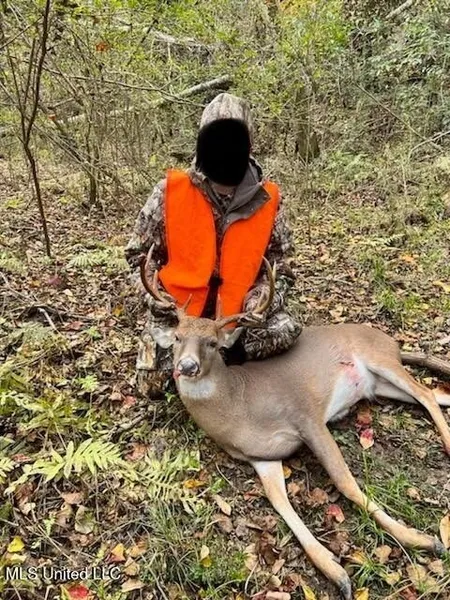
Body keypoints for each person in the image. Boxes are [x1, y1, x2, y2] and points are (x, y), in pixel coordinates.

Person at [125, 93, 301, 396]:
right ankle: (214, 361)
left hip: (236, 319)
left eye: (233, 138)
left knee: (284, 332)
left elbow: (281, 266)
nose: (224, 146)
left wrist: (260, 300)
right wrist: (155, 296)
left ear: (248, 144)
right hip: (180, 315)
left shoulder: (268, 199)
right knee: (153, 385)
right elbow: (137, 255)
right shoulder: (170, 191)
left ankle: (224, 360)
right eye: (215, 137)